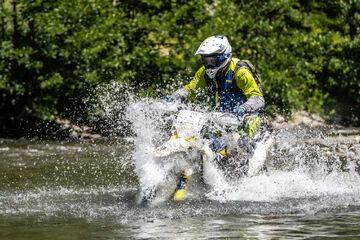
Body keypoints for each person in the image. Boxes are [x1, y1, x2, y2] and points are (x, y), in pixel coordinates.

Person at [163, 35, 265, 159]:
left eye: (213, 61)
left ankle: (242, 169)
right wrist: (175, 96)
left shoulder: (240, 72)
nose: (209, 64)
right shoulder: (203, 73)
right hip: (220, 118)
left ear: (224, 57)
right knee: (204, 139)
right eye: (206, 61)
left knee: (238, 144)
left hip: (246, 116)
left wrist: (244, 108)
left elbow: (258, 98)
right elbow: (190, 89)